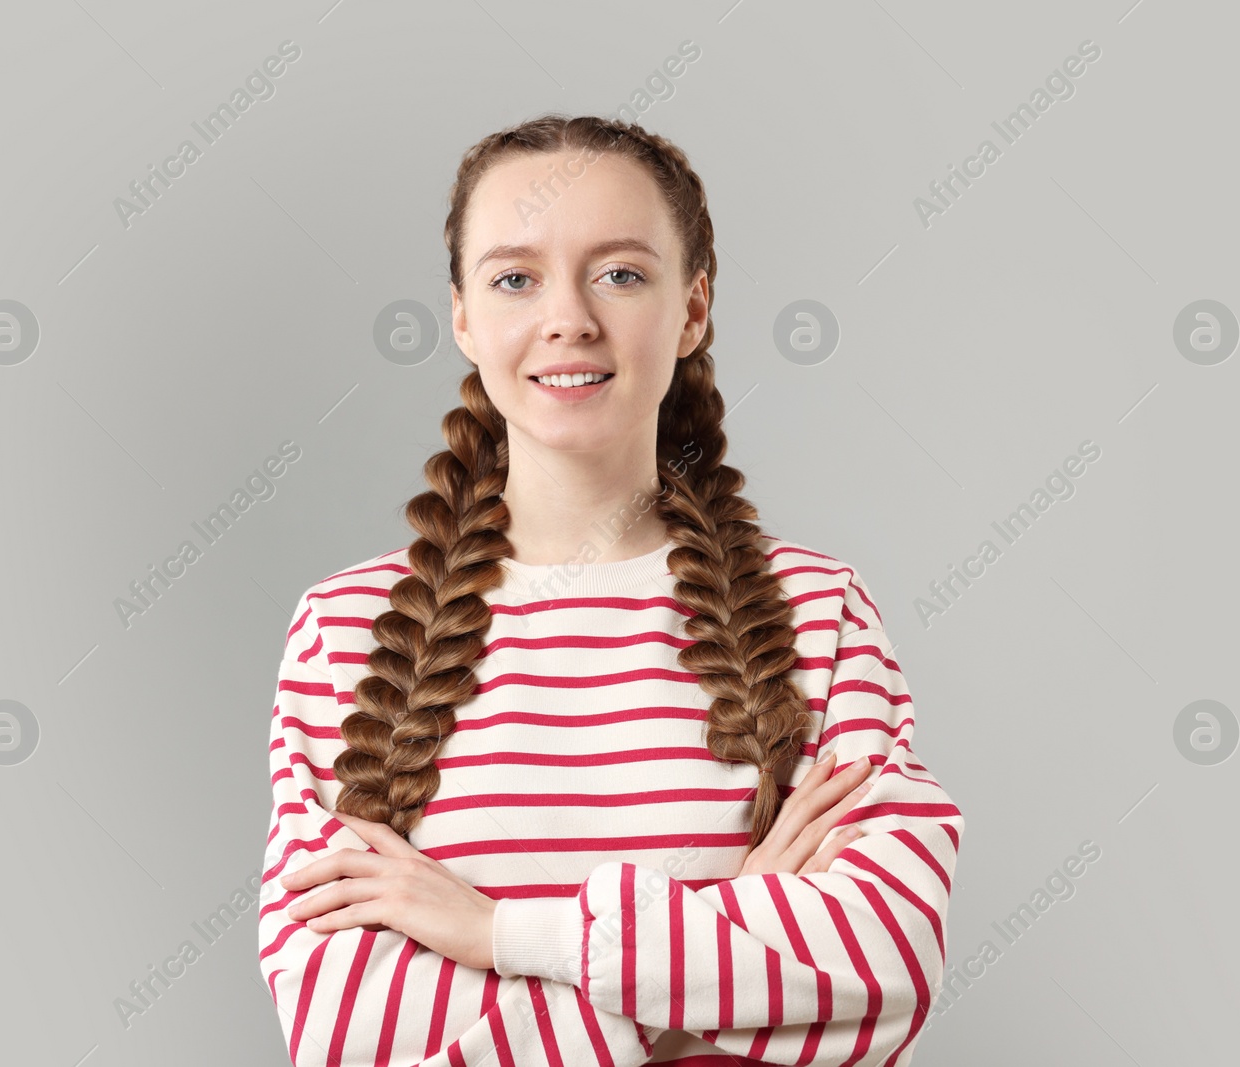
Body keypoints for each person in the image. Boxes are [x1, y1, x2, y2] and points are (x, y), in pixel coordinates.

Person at [256, 113, 964, 1066]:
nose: (569, 319)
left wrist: (499, 937)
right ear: (464, 315)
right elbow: (350, 1027)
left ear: (693, 308)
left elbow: (884, 958)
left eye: (621, 273)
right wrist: (712, 974)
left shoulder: (818, 615)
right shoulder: (346, 633)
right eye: (515, 278)